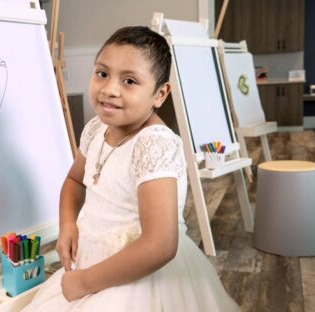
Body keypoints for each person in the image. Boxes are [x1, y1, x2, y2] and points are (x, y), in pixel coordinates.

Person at [22, 26, 239, 311]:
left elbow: (159, 245)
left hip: (137, 276)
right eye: (102, 73)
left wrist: (85, 282)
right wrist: (67, 225)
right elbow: (75, 180)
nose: (109, 89)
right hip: (91, 263)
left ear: (159, 94)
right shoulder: (96, 128)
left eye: (129, 81)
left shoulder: (153, 145)